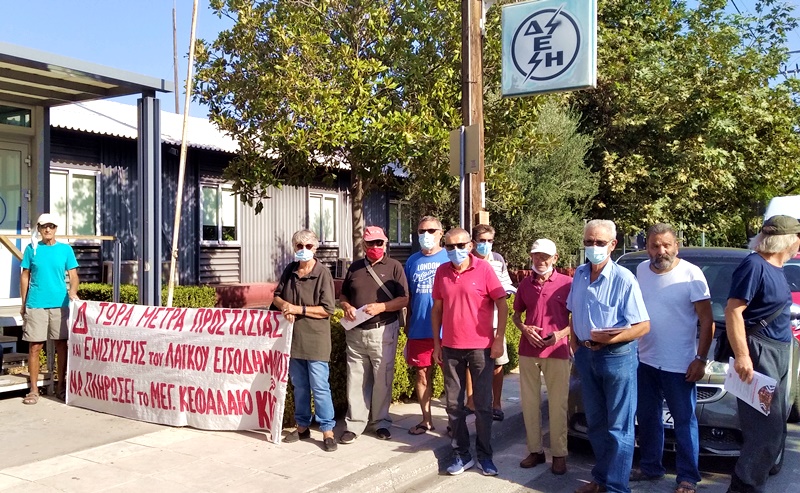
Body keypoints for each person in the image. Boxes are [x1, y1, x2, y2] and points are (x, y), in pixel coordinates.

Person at [568, 219, 650, 493]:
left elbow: (642, 326)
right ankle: (601, 479)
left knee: (619, 429)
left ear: (613, 245)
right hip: (586, 357)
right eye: (589, 242)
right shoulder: (579, 274)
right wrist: (575, 345)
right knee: (595, 425)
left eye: (600, 243)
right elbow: (573, 313)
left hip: (617, 357)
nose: (594, 247)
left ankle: (616, 487)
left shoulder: (625, 279)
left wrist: (611, 337)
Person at [632, 223, 714, 493]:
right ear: (647, 248)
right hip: (645, 359)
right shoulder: (642, 270)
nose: (660, 250)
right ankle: (651, 467)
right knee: (647, 417)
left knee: (684, 420)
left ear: (676, 246)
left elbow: (707, 320)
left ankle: (688, 477)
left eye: (666, 245)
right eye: (655, 245)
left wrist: (700, 358)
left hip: (680, 364)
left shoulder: (692, 274)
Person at [725, 215, 800, 493]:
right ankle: (744, 488)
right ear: (790, 240)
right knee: (764, 434)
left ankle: (748, 485)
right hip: (760, 354)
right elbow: (733, 310)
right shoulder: (754, 264)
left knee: (775, 432)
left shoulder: (775, 267)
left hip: (777, 353)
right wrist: (743, 355)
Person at [432, 228, 508, 477]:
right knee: (454, 405)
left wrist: (498, 339)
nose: (455, 251)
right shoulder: (442, 272)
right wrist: (437, 344)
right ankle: (461, 454)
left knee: (483, 407)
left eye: (460, 245)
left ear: (470, 245)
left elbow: (502, 303)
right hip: (451, 348)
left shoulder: (484, 269)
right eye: (450, 246)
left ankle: (485, 456)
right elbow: (437, 310)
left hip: (480, 348)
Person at [339, 226, 409, 443]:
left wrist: (382, 307)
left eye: (379, 243)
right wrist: (346, 306)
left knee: (382, 379)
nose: (375, 247)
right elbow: (344, 295)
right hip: (356, 332)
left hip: (383, 331)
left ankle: (380, 422)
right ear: (364, 245)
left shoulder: (395, 267)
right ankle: (355, 424)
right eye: (371, 243)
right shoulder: (355, 267)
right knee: (356, 379)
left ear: (385, 243)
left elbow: (404, 299)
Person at [273, 229, 338, 452]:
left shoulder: (323, 274)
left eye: (308, 246)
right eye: (299, 246)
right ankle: (302, 427)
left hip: (316, 339)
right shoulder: (290, 270)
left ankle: (328, 430)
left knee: (320, 387)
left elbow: (328, 309)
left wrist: (298, 309)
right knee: (300, 386)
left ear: (315, 248)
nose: (303, 250)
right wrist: (285, 308)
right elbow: (277, 296)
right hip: (293, 339)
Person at [512, 238, 572, 475]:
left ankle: (559, 454)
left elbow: (576, 318)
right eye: (537, 256)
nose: (541, 260)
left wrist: (560, 335)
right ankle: (535, 451)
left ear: (555, 258)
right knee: (529, 404)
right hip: (528, 352)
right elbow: (516, 315)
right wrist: (524, 328)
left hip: (557, 352)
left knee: (558, 405)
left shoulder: (567, 283)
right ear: (531, 256)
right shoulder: (525, 284)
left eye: (545, 256)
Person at [19, 213, 80, 405]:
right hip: (36, 303)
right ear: (38, 229)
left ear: (56, 229)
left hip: (60, 304)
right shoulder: (32, 249)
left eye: (51, 226)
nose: (48, 230)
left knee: (62, 345)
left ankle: (61, 387)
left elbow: (74, 275)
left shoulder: (65, 250)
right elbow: (25, 276)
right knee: (35, 347)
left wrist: (73, 291)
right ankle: (34, 390)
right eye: (44, 226)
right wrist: (23, 303)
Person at [404, 216, 448, 435]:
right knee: (422, 375)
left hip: (446, 331)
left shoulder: (450, 257)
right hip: (419, 330)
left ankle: (453, 421)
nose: (426, 235)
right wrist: (407, 325)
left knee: (452, 377)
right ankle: (426, 420)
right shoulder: (412, 261)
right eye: (422, 231)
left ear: (441, 233)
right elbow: (409, 296)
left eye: (431, 230)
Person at [468, 224, 516, 421]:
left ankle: (496, 404)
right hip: (474, 322)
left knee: (498, 363)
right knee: (471, 364)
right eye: (482, 241)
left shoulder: (498, 260)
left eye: (489, 241)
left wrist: (504, 292)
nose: (485, 245)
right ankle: (470, 402)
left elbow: (507, 284)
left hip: (495, 321)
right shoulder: (466, 261)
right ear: (474, 242)